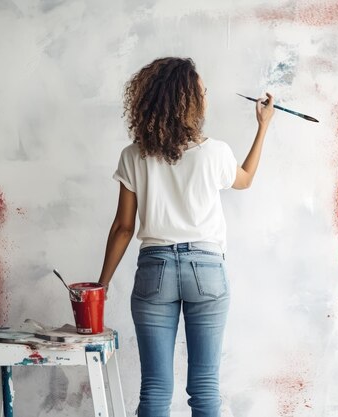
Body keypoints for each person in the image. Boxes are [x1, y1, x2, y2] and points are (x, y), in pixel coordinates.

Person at [98, 57, 274, 417]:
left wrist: (100, 286)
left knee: (155, 390)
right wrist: (263, 127)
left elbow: (123, 227)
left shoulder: (134, 156)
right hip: (206, 269)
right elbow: (244, 179)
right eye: (202, 91)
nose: (206, 97)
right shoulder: (216, 152)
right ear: (189, 101)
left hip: (154, 269)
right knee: (205, 389)